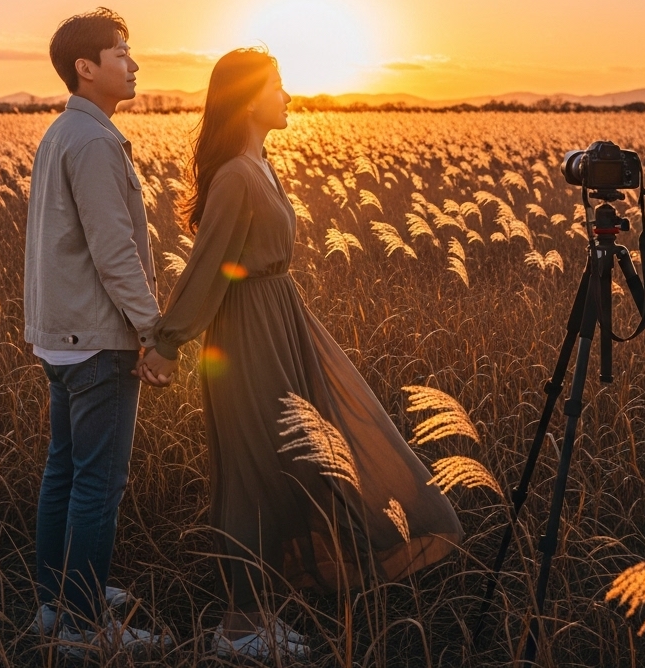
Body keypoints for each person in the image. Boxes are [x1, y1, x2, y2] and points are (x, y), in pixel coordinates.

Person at [136, 49, 462, 661]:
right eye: (278, 85)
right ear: (248, 98)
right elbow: (210, 268)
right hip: (248, 334)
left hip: (281, 323)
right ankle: (238, 626)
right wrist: (167, 343)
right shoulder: (236, 173)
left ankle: (262, 608)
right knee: (254, 470)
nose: (289, 96)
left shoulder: (260, 164)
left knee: (292, 464)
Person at [24, 8, 172, 655]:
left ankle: (57, 601)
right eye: (121, 52)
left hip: (60, 338)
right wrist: (153, 331)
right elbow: (115, 252)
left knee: (64, 472)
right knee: (96, 485)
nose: (133, 63)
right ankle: (86, 626)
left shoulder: (61, 133)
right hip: (96, 340)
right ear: (86, 68)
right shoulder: (95, 141)